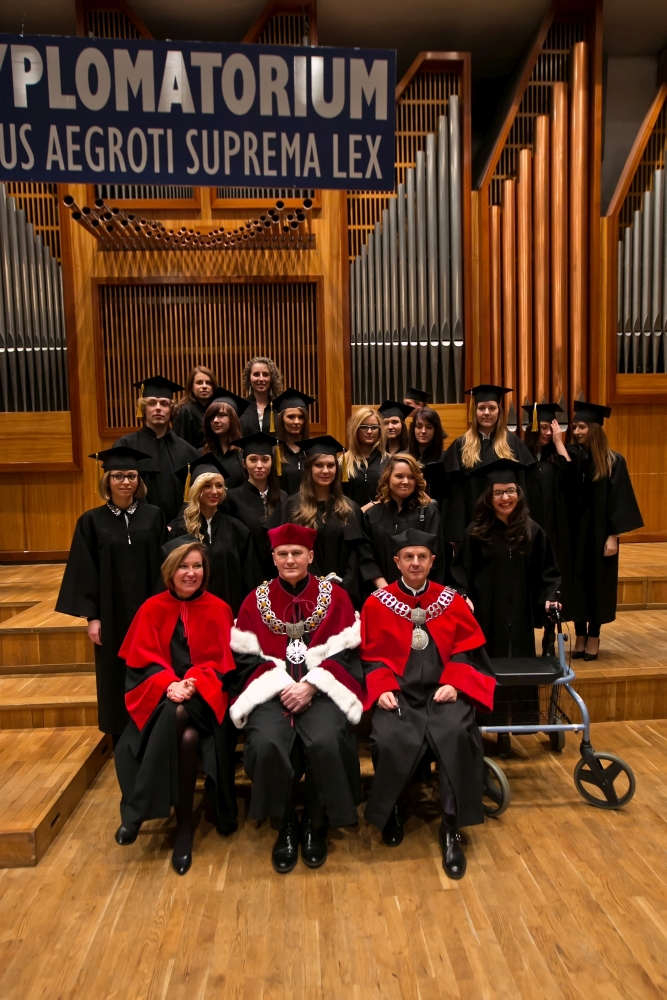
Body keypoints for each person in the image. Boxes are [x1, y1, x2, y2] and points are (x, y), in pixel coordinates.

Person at [228, 524, 364, 873]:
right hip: (271, 692)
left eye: (297, 553)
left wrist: (312, 684)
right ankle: (285, 822)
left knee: (326, 740)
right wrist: (280, 684)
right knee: (267, 742)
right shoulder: (254, 600)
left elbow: (347, 652)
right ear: (273, 558)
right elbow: (245, 657)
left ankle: (316, 823)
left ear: (310, 556)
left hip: (322, 690)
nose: (290, 559)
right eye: (283, 554)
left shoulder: (336, 597)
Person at [360, 528, 496, 879]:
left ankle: (451, 825)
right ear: (397, 562)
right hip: (401, 694)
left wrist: (455, 682)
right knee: (388, 738)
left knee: (455, 733)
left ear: (433, 561)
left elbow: (467, 650)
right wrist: (382, 687)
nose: (416, 563)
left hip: (442, 692)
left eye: (422, 556)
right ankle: (391, 809)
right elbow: (370, 656)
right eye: (409, 557)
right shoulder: (377, 603)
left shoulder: (450, 600)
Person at [114, 542, 238, 876]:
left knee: (181, 711)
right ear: (170, 570)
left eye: (197, 566)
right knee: (185, 736)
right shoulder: (152, 608)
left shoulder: (218, 608)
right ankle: (183, 830)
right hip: (162, 698)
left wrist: (193, 683)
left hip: (205, 698)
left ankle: (136, 810)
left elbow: (224, 667)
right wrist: (169, 684)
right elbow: (141, 665)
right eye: (183, 566)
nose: (191, 573)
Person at [449, 460, 561, 754]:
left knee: (520, 662)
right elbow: (460, 573)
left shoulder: (533, 531)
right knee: (490, 665)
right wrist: (462, 594)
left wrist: (550, 596)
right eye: (498, 493)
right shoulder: (476, 533)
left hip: (521, 612)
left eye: (511, 491)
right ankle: (493, 727)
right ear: (488, 497)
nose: (505, 498)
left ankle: (520, 722)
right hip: (487, 614)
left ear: (519, 493)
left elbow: (549, 572)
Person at [55, 447, 166, 741]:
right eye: (118, 476)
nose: (125, 482)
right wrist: (93, 617)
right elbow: (85, 571)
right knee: (113, 673)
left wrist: (162, 610)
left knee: (152, 668)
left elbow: (164, 566)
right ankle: (120, 739)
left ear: (139, 480)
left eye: (131, 476)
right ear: (107, 480)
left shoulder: (153, 516)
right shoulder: (91, 522)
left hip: (149, 611)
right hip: (111, 613)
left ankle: (154, 733)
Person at [266, 436, 382, 607]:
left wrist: (343, 589)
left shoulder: (350, 509)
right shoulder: (291, 507)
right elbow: (282, 552)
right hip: (300, 593)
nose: (325, 470)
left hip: (342, 594)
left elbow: (356, 556)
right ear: (309, 468)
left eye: (330, 465)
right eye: (319, 465)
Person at [568, 401, 643, 660]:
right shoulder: (573, 460)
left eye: (581, 426)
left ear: (594, 428)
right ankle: (579, 635)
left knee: (597, 585)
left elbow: (619, 501)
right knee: (576, 583)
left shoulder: (613, 462)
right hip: (575, 535)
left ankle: (594, 636)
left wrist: (614, 536)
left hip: (600, 535)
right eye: (574, 427)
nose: (576, 431)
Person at [167, 455, 262, 613]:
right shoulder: (180, 529)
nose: (214, 491)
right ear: (196, 489)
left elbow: (250, 576)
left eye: (219, 486)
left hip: (229, 610)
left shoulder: (237, 529)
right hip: (189, 611)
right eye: (207, 486)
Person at [444, 384, 535, 545]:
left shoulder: (513, 443)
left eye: (492, 408)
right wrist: (458, 534)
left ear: (499, 411)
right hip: (473, 526)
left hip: (508, 527)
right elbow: (455, 495)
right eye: (481, 408)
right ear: (475, 411)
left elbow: (523, 486)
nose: (486, 412)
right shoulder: (461, 445)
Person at [522, 402, 575, 654]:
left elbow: (572, 479)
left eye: (550, 428)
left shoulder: (556, 458)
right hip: (528, 530)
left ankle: (550, 637)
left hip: (554, 530)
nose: (546, 432)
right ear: (532, 428)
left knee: (552, 584)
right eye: (542, 427)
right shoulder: (523, 457)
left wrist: (558, 441)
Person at [114, 375, 199, 523]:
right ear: (143, 408)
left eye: (164, 403)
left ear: (171, 409)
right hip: (135, 525)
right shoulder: (125, 446)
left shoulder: (188, 452)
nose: (158, 408)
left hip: (178, 528)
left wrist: (176, 525)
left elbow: (193, 494)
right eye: (152, 403)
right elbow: (118, 490)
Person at [363, 454, 445, 585]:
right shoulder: (372, 515)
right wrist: (383, 588)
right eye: (399, 476)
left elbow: (435, 557)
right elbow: (366, 556)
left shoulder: (428, 512)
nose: (406, 481)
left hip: (418, 590)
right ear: (388, 477)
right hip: (380, 590)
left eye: (411, 477)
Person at [225, 432, 287, 580]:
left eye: (265, 459)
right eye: (253, 460)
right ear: (244, 464)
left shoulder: (283, 498)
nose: (259, 465)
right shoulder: (231, 498)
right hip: (245, 573)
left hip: (278, 573)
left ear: (272, 462)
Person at [201, 388, 248, 490]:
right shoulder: (202, 454)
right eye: (212, 416)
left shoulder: (245, 453)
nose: (215, 420)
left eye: (222, 415)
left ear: (233, 419)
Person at [341, 407, 388, 508]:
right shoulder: (343, 461)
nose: (369, 431)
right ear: (356, 429)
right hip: (350, 515)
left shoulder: (389, 461)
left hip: (380, 515)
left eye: (374, 427)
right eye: (364, 427)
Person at [273, 387, 315, 495]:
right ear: (281, 418)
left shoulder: (313, 449)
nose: (297, 422)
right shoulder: (274, 451)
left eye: (301, 417)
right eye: (291, 417)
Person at [172, 366, 217, 449]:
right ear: (192, 387)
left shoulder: (217, 410)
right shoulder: (186, 411)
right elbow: (180, 445)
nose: (204, 386)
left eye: (208, 383)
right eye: (199, 383)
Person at [240, 356, 284, 435]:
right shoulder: (241, 406)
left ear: (272, 378)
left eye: (265, 375)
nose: (261, 379)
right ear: (249, 378)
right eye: (256, 374)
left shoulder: (280, 406)